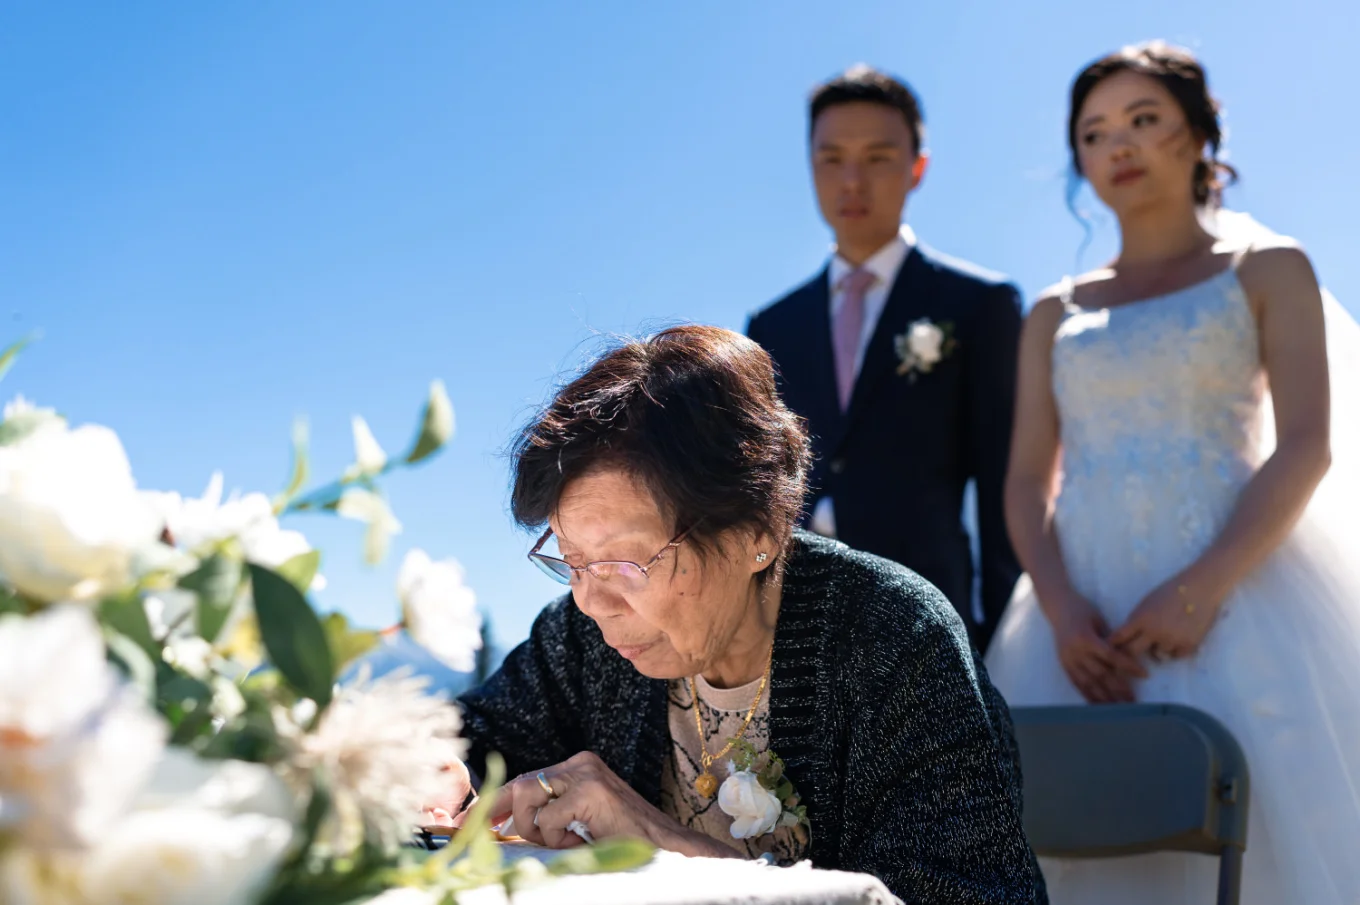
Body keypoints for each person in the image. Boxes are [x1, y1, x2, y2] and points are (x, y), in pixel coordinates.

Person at [442, 326, 1046, 903]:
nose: (590, 601)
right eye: (571, 561)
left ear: (759, 530)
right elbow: (472, 740)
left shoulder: (893, 638)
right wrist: (420, 767)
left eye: (625, 561)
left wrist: (661, 845)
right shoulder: (582, 640)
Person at [985, 41, 1360, 904]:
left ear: (1200, 135)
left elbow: (1307, 443)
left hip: (1243, 590)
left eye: (1145, 120)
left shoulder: (1270, 271)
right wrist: (1062, 606)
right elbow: (1024, 481)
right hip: (1079, 623)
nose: (1119, 145)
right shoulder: (1055, 309)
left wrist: (1201, 588)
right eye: (1095, 132)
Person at [746, 65, 1022, 653]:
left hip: (931, 618)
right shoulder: (771, 327)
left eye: (877, 157)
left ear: (917, 167)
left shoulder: (978, 304)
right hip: (795, 623)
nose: (852, 180)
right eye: (831, 159)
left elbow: (1004, 483)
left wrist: (1001, 637)